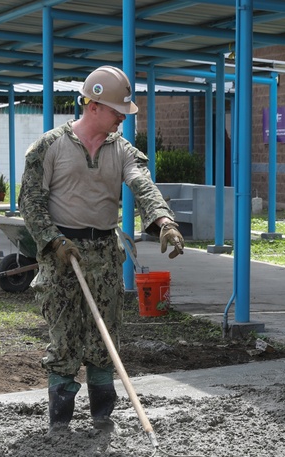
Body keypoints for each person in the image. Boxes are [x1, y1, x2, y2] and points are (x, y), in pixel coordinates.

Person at [18, 65, 184, 434]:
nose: (121, 118)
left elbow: (143, 186)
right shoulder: (50, 146)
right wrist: (55, 240)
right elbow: (29, 201)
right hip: (62, 254)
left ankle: (101, 419)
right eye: (116, 111)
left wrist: (164, 222)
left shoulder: (121, 149)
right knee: (64, 340)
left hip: (105, 254)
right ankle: (59, 424)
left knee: (104, 339)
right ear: (92, 106)